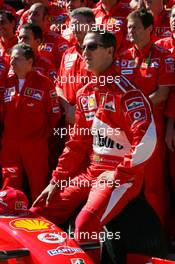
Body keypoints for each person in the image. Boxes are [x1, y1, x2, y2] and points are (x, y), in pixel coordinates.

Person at [31, 30, 160, 263]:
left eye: (92, 47)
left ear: (110, 51)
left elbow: (147, 140)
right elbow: (76, 143)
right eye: (83, 48)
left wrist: (120, 172)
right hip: (91, 172)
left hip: (121, 176)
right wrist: (56, 181)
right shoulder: (85, 94)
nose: (84, 52)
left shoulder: (128, 93)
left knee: (84, 226)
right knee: (39, 213)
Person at [1, 43, 61, 202]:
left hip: (35, 144)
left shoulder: (44, 82)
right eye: (11, 59)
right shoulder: (7, 82)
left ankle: (41, 219)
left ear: (29, 61)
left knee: (38, 187)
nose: (12, 63)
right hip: (10, 144)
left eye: (17, 59)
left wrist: (41, 136)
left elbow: (54, 113)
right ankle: (11, 218)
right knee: (10, 187)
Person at [56, 7, 95, 124]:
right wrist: (68, 109)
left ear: (91, 25)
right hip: (70, 119)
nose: (74, 29)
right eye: (72, 25)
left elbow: (102, 85)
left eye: (78, 24)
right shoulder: (68, 53)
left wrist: (77, 109)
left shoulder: (100, 51)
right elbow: (58, 85)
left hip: (92, 119)